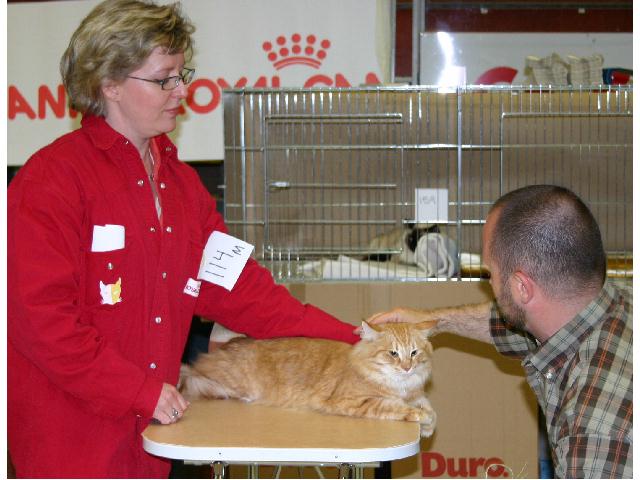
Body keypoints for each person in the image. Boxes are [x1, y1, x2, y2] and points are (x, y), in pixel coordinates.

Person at [7, 1, 358, 477]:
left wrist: (359, 338)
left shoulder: (183, 187)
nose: (182, 90)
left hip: (158, 438)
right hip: (73, 443)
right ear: (109, 84)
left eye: (181, 74)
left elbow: (244, 292)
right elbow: (40, 323)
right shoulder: (50, 182)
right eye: (163, 79)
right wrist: (138, 391)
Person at [368, 185, 632, 479]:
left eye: (490, 274)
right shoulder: (611, 304)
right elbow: (506, 324)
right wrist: (433, 321)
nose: (490, 284)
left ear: (521, 288)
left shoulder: (595, 433)